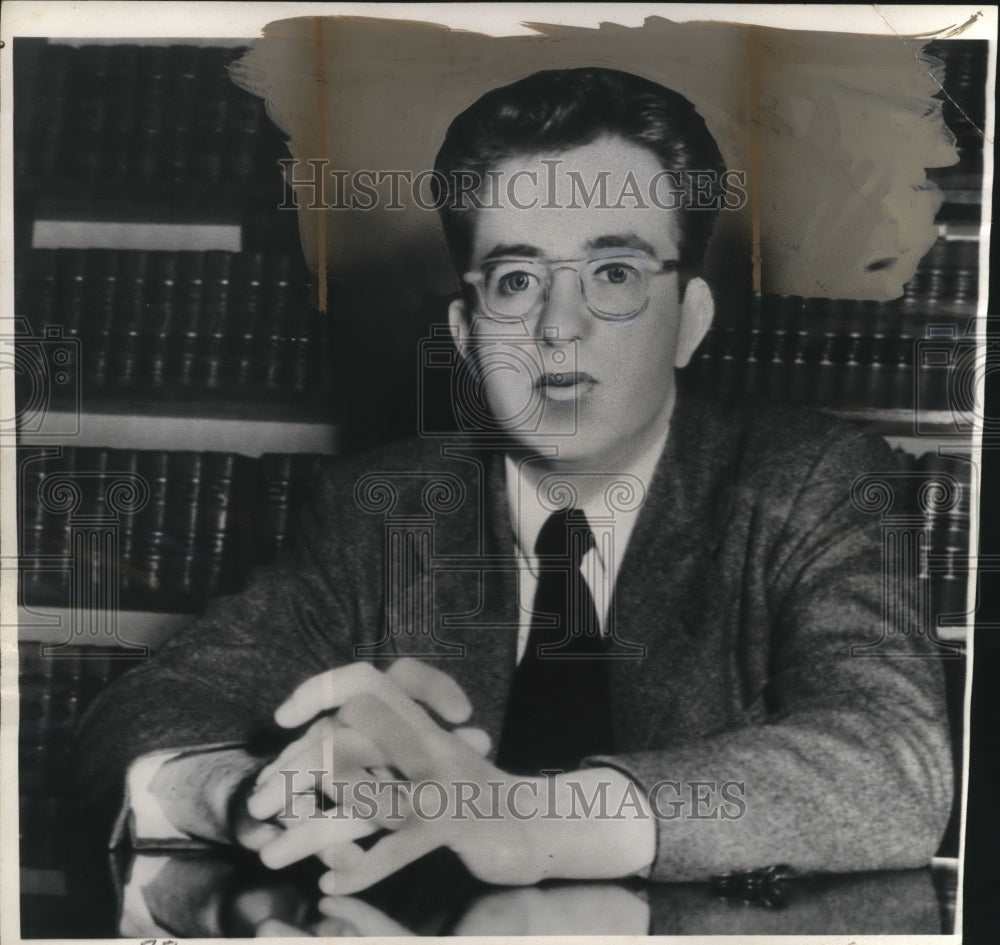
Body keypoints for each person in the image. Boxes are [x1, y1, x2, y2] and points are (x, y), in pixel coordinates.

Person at [76, 68, 952, 894]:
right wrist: (250, 792)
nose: (559, 326)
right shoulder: (383, 510)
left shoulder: (810, 481)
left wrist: (536, 819)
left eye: (614, 273)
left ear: (689, 320)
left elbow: (895, 762)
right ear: (467, 336)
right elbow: (146, 708)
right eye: (517, 278)